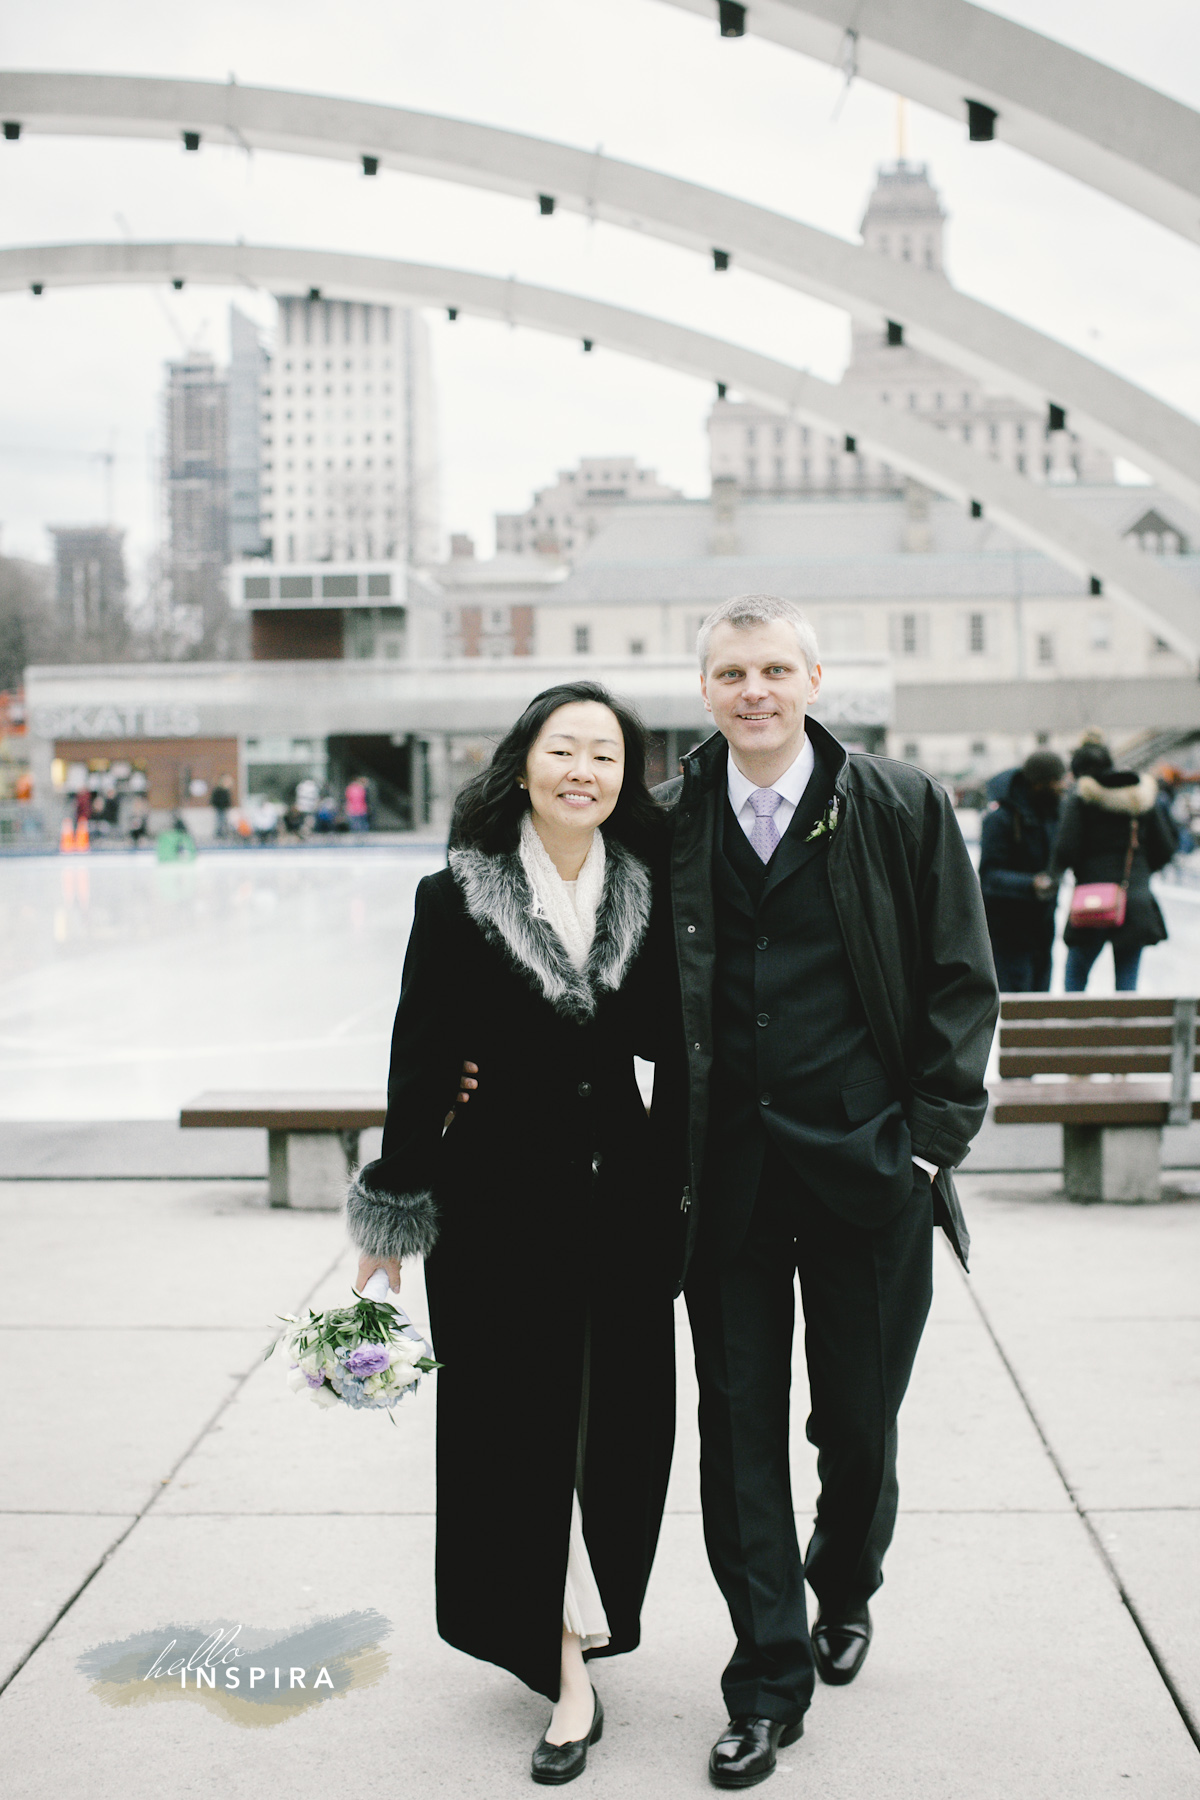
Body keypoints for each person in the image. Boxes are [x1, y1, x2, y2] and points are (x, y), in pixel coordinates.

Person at [653, 594, 997, 1789]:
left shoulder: (899, 802)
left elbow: (962, 975)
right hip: (722, 1183)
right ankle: (766, 1679)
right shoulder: (670, 815)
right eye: (731, 672)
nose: (754, 690)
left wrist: (928, 1143)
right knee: (737, 1431)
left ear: (813, 677)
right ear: (704, 690)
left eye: (774, 670)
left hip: (869, 1170)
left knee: (855, 1417)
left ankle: (843, 1581)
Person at [344, 682, 679, 1786]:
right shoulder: (457, 898)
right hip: (498, 1204)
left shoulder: (648, 885)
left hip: (622, 1202)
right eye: (565, 749)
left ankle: (591, 1612)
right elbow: (421, 1056)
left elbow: (672, 1042)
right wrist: (396, 1204)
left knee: (619, 1419)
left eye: (608, 756)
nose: (586, 770)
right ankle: (554, 1654)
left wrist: (681, 1168)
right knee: (514, 1425)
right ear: (524, 764)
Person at [1040, 741, 1177, 992]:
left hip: (1091, 901)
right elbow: (1166, 847)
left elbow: (1066, 849)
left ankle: (1073, 1031)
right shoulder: (1141, 797)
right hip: (1135, 899)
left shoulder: (1081, 799)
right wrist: (1139, 874)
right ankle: (1123, 1032)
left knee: (1076, 979)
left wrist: (1059, 875)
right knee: (1127, 983)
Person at [978, 750, 1067, 991]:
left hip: (1043, 925)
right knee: (1018, 1005)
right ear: (1039, 784)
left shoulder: (1053, 814)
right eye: (1058, 780)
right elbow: (988, 877)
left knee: (1039, 1005)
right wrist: (1031, 884)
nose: (1064, 786)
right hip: (1009, 930)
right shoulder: (1000, 819)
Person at [211, 776, 233, 840]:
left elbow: (228, 800)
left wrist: (228, 806)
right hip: (219, 808)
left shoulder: (226, 791)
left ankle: (223, 833)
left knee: (224, 821)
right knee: (219, 821)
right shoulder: (218, 790)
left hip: (224, 808)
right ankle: (219, 834)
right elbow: (214, 799)